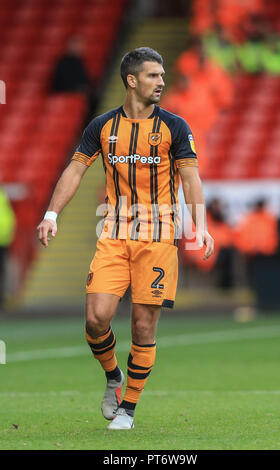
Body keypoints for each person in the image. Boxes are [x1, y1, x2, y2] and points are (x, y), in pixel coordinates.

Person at [37, 47, 214, 430]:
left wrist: (199, 224)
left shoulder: (175, 127)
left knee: (142, 326)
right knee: (96, 319)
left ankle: (128, 410)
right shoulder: (102, 126)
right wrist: (51, 214)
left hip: (158, 236)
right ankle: (113, 376)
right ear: (132, 81)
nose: (162, 82)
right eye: (153, 76)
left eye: (163, 75)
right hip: (114, 234)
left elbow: (190, 178)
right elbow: (74, 170)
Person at [0, 185, 16, 311]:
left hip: (4, 240)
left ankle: (2, 298)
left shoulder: (2, 194)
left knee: (2, 271)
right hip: (4, 239)